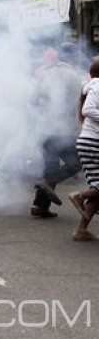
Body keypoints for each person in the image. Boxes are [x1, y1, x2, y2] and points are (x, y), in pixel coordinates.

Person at [32, 43, 85, 218]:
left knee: (50, 166)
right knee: (76, 163)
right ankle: (46, 184)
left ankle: (40, 207)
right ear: (72, 57)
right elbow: (79, 103)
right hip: (64, 130)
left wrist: (43, 114)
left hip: (44, 128)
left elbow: (33, 101)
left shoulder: (45, 74)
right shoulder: (74, 76)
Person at [70, 57, 99, 241]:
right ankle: (78, 195)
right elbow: (87, 110)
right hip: (94, 142)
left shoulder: (92, 86)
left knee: (98, 187)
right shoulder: (98, 86)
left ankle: (81, 229)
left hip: (89, 141)